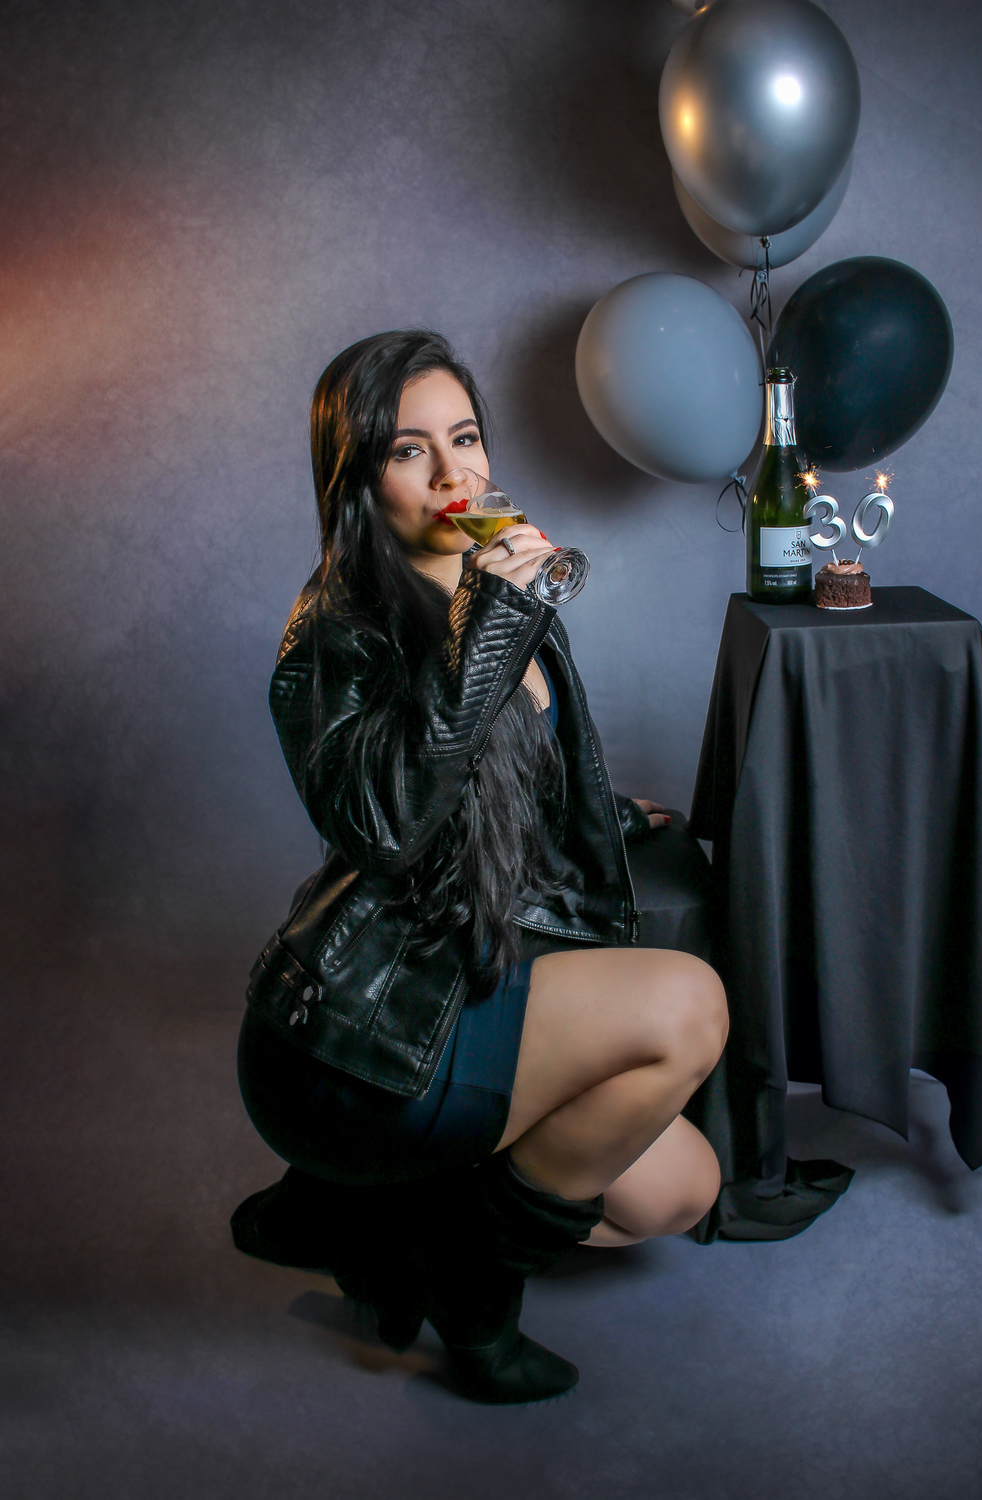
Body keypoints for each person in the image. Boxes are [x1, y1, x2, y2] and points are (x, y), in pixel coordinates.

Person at [232, 330, 728, 1404]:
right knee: (690, 1005)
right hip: (359, 1038)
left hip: (473, 963)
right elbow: (388, 826)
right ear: (358, 478)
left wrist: (597, 808)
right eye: (410, 451)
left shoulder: (482, 574)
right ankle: (473, 1289)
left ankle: (382, 1214)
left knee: (680, 1190)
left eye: (465, 438)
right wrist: (494, 624)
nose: (454, 474)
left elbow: (512, 769)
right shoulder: (333, 634)